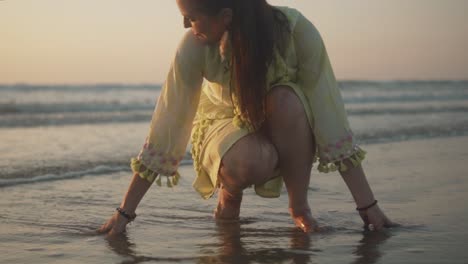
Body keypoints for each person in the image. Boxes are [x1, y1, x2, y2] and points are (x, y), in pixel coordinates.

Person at [97, 0, 395, 235]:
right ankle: (230, 193)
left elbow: (328, 111)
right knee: (254, 160)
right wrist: (125, 212)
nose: (186, 24)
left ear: (226, 15)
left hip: (285, 124)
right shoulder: (193, 44)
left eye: (191, 16)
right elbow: (169, 121)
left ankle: (300, 208)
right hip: (222, 126)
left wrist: (366, 204)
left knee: (286, 99)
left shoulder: (295, 32)